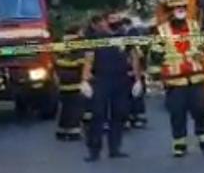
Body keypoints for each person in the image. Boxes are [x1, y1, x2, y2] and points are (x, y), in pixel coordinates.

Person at [150, 0, 204, 158]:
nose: (179, 10)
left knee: (201, 110)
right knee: (177, 113)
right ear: (169, 11)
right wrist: (156, 79)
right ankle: (179, 144)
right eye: (175, 8)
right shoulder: (161, 31)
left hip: (196, 77)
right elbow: (155, 56)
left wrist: (202, 52)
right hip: (175, 80)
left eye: (182, 7)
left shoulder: (194, 26)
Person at [80, 13, 143, 162]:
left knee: (119, 114)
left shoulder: (125, 37)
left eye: (117, 19)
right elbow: (89, 59)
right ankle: (94, 151)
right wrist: (84, 80)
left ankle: (115, 148)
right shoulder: (95, 38)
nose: (115, 22)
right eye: (111, 19)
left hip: (121, 80)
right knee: (98, 115)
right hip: (101, 79)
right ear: (105, 21)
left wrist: (137, 80)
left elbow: (134, 58)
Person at [53, 27, 86, 142]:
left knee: (65, 108)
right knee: (75, 108)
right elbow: (82, 61)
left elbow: (56, 60)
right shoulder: (78, 43)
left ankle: (62, 131)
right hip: (75, 81)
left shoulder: (60, 44)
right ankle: (73, 132)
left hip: (63, 82)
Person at [121, 17, 148, 130]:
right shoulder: (137, 40)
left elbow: (138, 58)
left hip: (131, 73)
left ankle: (131, 118)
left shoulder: (129, 41)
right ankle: (134, 118)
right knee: (134, 96)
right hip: (133, 73)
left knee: (130, 96)